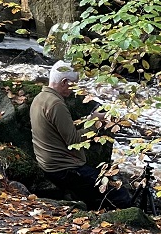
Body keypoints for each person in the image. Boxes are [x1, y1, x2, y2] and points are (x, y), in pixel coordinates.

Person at [30, 61, 133, 210]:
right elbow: (74, 141)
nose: (74, 90)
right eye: (73, 85)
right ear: (64, 82)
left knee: (99, 186)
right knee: (119, 194)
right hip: (63, 169)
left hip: (48, 163)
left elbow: (62, 129)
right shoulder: (56, 105)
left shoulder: (40, 98)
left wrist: (90, 119)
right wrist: (97, 122)